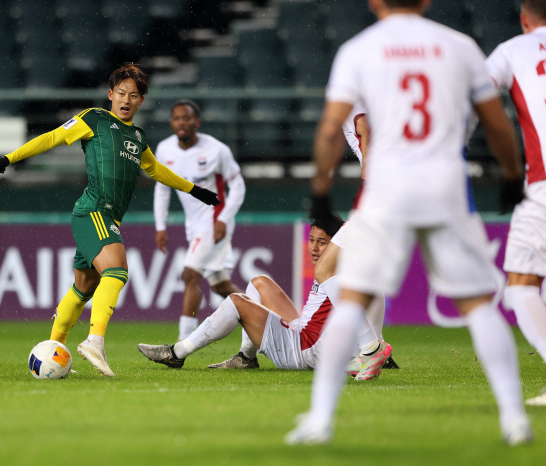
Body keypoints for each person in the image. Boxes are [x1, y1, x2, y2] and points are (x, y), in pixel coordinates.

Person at [286, 0, 532, 446]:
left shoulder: (359, 50)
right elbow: (497, 124)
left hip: (386, 191)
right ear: (425, 2)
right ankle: (514, 418)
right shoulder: (459, 46)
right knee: (477, 305)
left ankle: (320, 419)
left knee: (349, 294)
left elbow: (329, 130)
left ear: (375, 2)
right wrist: (514, 177)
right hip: (445, 187)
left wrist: (320, 191)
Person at [0, 63, 219, 377]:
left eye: (134, 95)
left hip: (106, 217)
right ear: (110, 94)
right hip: (93, 211)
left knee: (82, 288)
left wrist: (195, 190)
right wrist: (9, 158)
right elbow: (52, 138)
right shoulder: (94, 118)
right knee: (117, 270)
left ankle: (54, 350)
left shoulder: (137, 136)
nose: (126, 99)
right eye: (121, 93)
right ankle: (95, 342)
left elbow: (155, 169)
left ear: (141, 101)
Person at [137, 215, 391, 378]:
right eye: (311, 240)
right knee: (260, 283)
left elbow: (368, 301)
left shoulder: (340, 272)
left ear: (336, 246)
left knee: (236, 301)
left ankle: (176, 353)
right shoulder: (342, 269)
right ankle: (246, 358)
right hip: (304, 333)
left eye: (322, 242)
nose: (313, 247)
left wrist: (369, 348)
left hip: (303, 350)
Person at [485, 0, 546, 407]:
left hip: (542, 183)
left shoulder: (512, 50)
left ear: (525, 19)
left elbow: (478, 98)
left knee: (521, 286)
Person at [314, 102, 399, 374]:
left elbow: (366, 130)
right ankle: (373, 348)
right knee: (367, 275)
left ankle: (371, 348)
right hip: (401, 192)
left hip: (379, 197)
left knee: (325, 269)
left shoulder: (356, 105)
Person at [153, 100, 246, 342]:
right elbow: (162, 189)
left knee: (190, 274)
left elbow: (238, 185)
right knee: (221, 286)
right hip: (193, 225)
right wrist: (160, 226)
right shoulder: (164, 150)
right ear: (171, 122)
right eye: (176, 118)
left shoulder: (216, 150)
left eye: (187, 118)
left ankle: (183, 342)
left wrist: (224, 219)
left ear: (197, 122)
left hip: (214, 220)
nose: (181, 123)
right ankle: (265, 321)